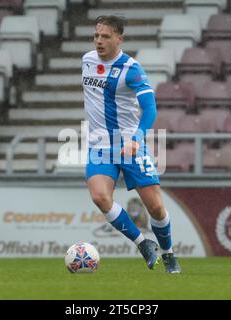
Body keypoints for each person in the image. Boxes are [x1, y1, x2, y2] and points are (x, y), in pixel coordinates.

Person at [82, 15, 181, 273]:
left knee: (156, 208)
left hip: (129, 144)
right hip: (100, 145)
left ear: (119, 39)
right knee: (100, 197)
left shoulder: (132, 69)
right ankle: (142, 244)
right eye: (96, 35)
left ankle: (169, 253)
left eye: (105, 36)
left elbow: (149, 108)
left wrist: (137, 138)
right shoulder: (87, 61)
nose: (99, 41)